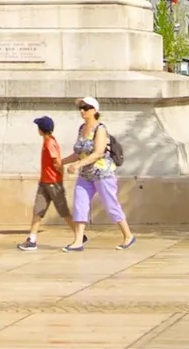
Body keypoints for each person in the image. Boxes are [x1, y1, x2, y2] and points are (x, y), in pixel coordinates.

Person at [57, 97, 136, 252]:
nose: (82, 111)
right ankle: (78, 240)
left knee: (111, 204)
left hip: (103, 174)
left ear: (94, 110)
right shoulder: (81, 128)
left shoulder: (100, 129)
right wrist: (62, 161)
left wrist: (77, 165)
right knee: (80, 204)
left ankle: (128, 235)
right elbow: (79, 152)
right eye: (80, 107)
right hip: (86, 175)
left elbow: (98, 152)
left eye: (85, 108)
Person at [17, 115, 71, 251]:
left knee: (63, 212)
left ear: (41, 130)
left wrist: (59, 178)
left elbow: (56, 162)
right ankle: (32, 239)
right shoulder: (47, 141)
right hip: (45, 182)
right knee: (38, 211)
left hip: (53, 183)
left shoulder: (49, 143)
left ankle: (80, 235)